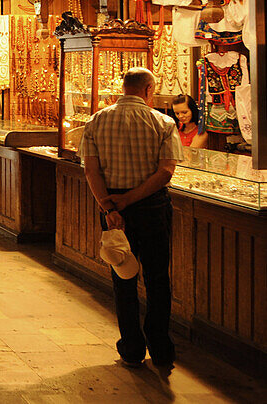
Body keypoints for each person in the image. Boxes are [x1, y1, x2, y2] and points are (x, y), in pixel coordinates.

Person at [81, 67, 180, 373]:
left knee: (122, 276)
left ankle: (132, 348)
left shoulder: (97, 120)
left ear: (124, 88)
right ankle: (160, 347)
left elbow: (91, 170)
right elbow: (165, 172)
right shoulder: (163, 122)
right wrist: (132, 198)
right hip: (151, 206)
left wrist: (110, 207)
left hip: (113, 210)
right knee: (157, 278)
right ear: (148, 90)